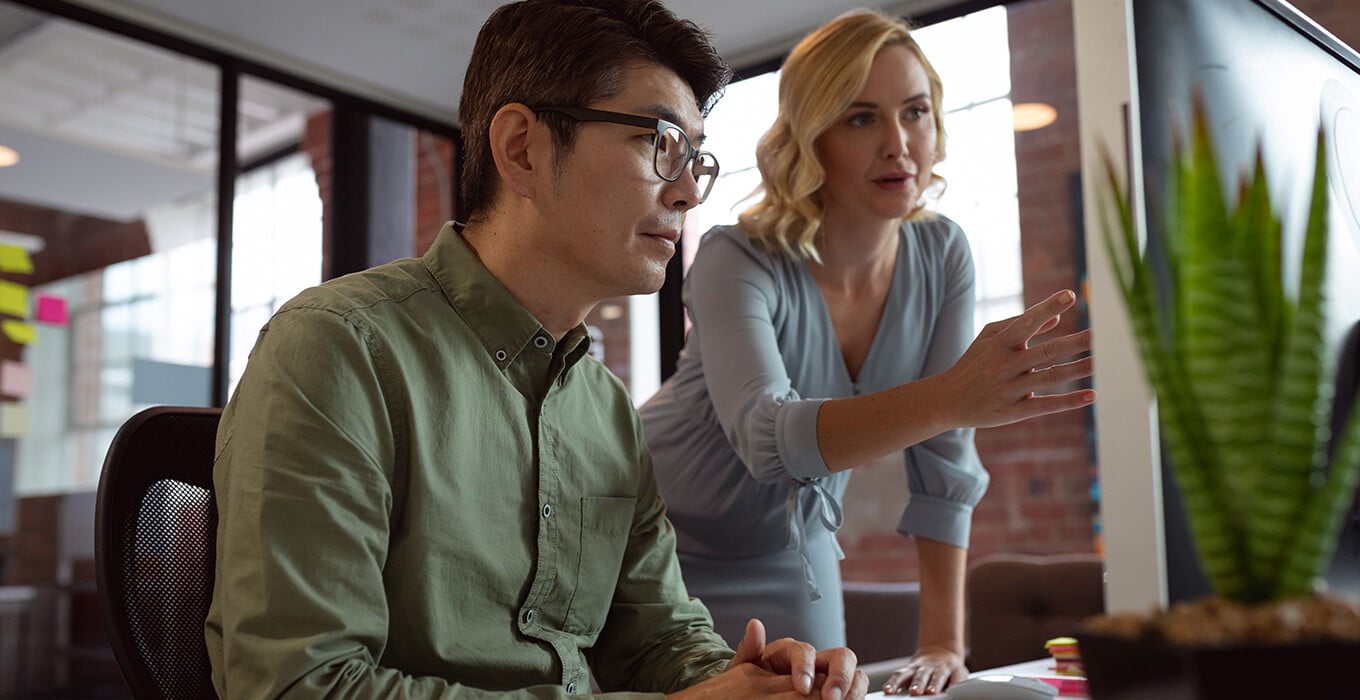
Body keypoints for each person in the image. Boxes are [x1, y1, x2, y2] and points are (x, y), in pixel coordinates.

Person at [204, 1, 872, 698]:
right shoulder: (339, 349)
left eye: (695, 160)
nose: (685, 193)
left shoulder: (606, 408)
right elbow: (299, 685)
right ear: (522, 148)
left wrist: (747, 680)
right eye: (661, 143)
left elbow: (659, 639)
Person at [638, 8, 1095, 697]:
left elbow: (945, 463)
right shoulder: (736, 256)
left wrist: (943, 642)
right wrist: (954, 395)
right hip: (654, 537)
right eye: (860, 118)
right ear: (811, 137)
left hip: (793, 553)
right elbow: (768, 439)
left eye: (915, 112)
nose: (897, 144)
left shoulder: (942, 256)